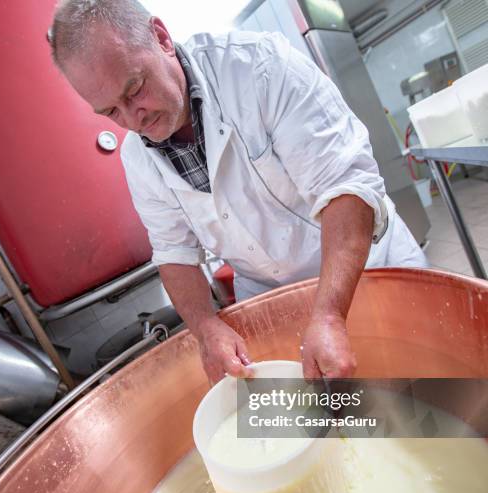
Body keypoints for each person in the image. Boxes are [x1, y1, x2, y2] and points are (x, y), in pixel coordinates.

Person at [50, 0, 427, 384]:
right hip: (269, 301)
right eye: (111, 112)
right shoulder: (138, 158)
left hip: (363, 272)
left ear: (161, 38)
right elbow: (174, 254)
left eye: (134, 90)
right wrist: (205, 327)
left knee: (423, 396)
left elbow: (346, 187)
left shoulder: (258, 69)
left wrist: (328, 314)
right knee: (303, 423)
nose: (133, 119)